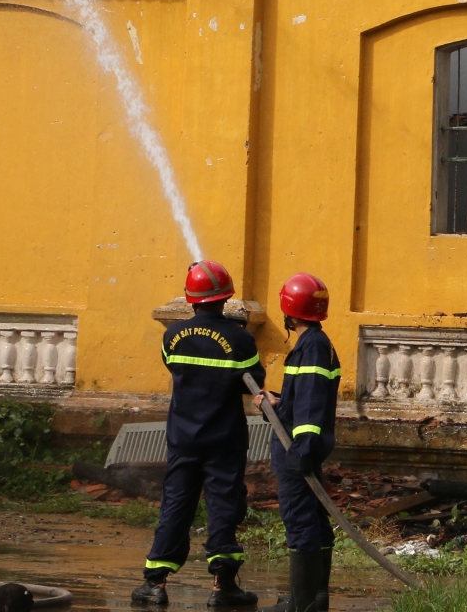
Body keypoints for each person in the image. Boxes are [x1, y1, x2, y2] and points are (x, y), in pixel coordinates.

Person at [133, 260, 266, 609]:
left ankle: (155, 583)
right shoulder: (240, 339)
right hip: (224, 438)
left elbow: (174, 366)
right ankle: (223, 587)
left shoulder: (171, 336)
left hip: (183, 437)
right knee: (223, 505)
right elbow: (254, 380)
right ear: (226, 298)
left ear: (191, 298)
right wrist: (235, 333)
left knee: (176, 503)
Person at [258, 272, 341, 612]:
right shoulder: (314, 344)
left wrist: (302, 451)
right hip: (301, 442)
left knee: (300, 518)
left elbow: (310, 406)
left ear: (289, 309)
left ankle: (301, 603)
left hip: (298, 448)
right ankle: (315, 597)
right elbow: (302, 400)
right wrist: (276, 403)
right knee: (315, 517)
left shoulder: (312, 348)